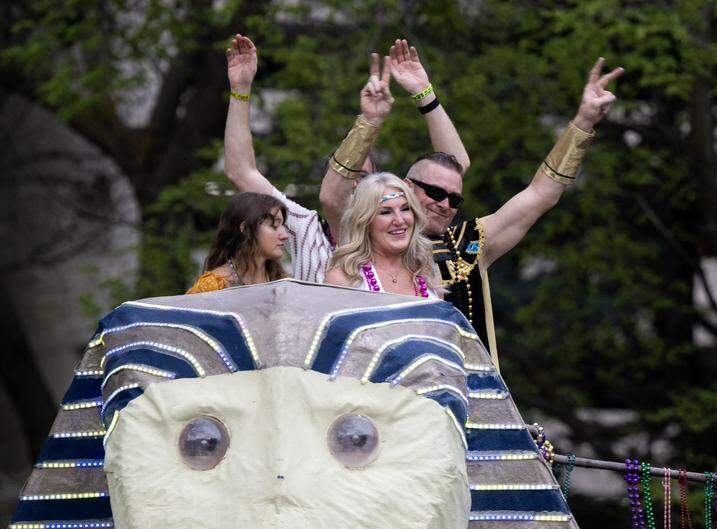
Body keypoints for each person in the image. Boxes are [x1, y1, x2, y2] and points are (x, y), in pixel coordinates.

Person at [320, 56, 623, 361]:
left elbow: (540, 194)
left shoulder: (466, 245)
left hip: (468, 399)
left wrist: (583, 122)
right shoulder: (365, 242)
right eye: (436, 193)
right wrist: (371, 120)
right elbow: (333, 196)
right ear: (406, 187)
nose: (444, 204)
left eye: (455, 199)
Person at [223, 35, 469, 283]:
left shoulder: (397, 231)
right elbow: (241, 172)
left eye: (361, 177)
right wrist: (240, 90)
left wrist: (423, 92)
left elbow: (454, 167)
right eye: (345, 174)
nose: (351, 182)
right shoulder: (306, 228)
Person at [324, 173, 442, 298]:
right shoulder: (342, 280)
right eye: (385, 212)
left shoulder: (429, 276)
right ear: (365, 222)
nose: (400, 220)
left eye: (405, 209)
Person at [186, 192, 289, 293]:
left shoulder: (285, 283)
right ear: (246, 229)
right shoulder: (213, 286)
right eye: (274, 225)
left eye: (283, 226)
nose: (285, 235)